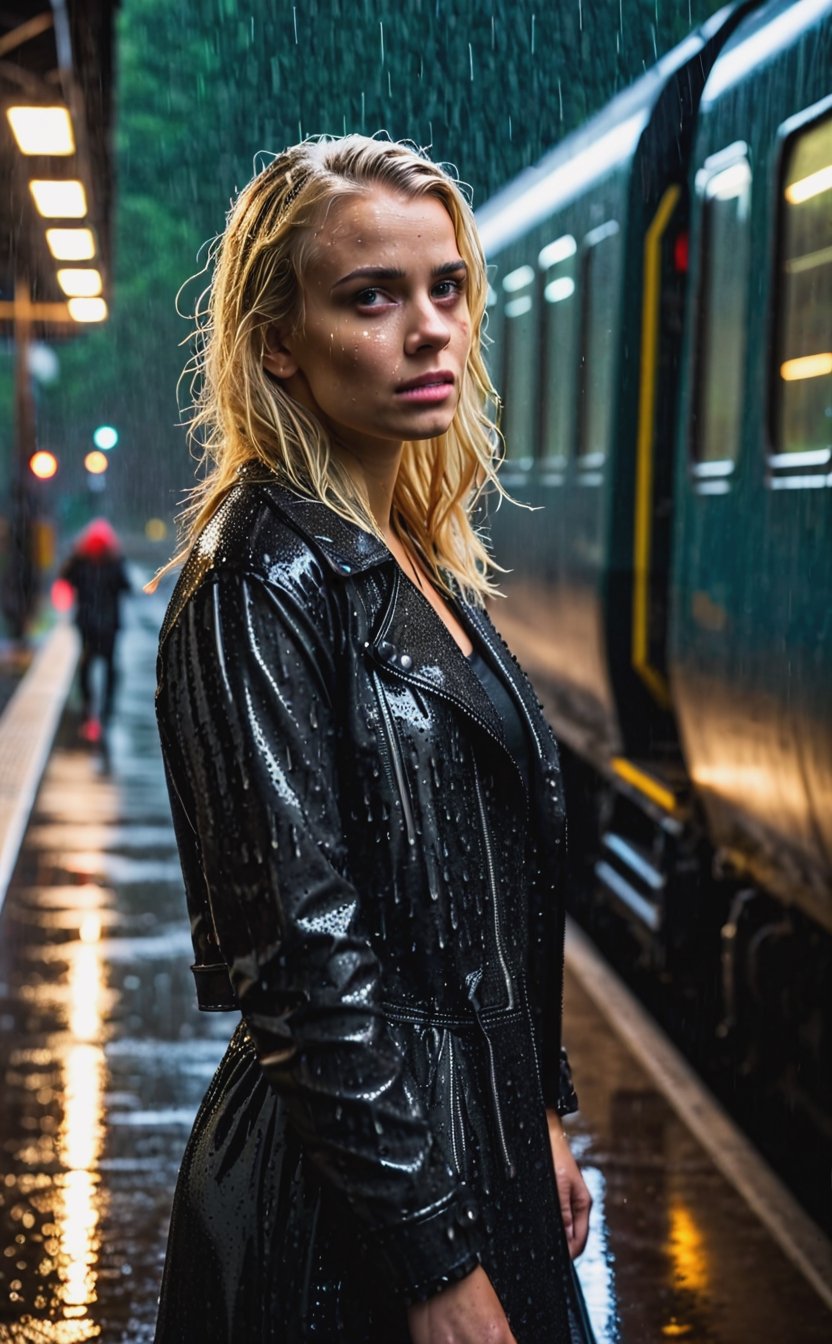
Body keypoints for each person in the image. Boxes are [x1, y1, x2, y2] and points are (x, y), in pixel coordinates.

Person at [153, 134, 594, 1344]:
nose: (430, 328)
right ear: (277, 343)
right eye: (372, 297)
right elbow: (304, 966)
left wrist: (539, 1107)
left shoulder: (415, 552)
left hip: (474, 1154)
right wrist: (429, 1263)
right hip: (344, 1216)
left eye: (446, 287)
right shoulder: (258, 577)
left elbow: (494, 892)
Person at [60, 517, 131, 738]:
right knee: (109, 666)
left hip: (88, 624)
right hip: (108, 626)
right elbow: (127, 587)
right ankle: (106, 710)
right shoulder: (114, 562)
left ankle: (88, 709)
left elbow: (64, 578)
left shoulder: (81, 561)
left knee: (86, 666)